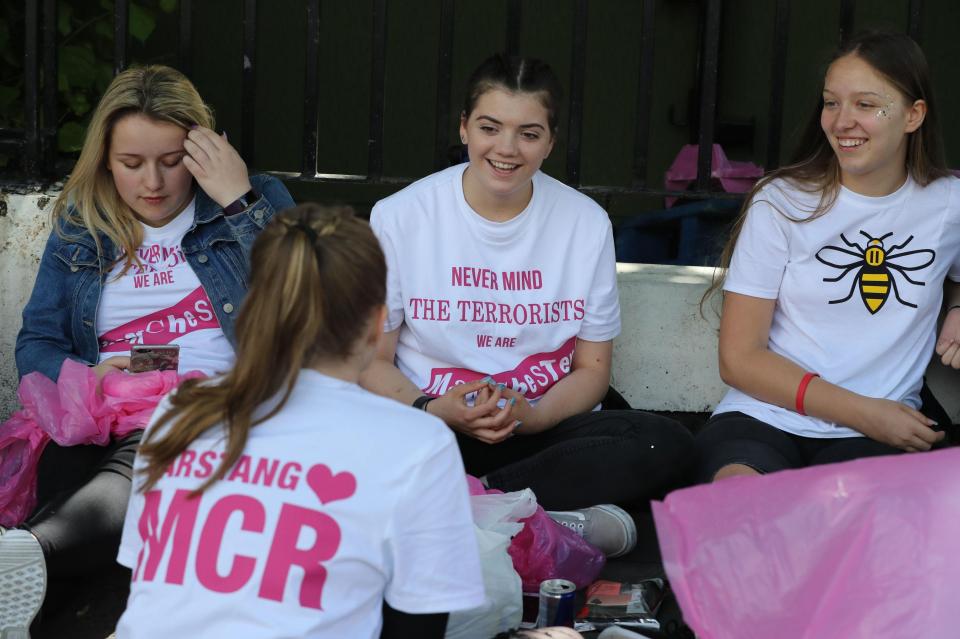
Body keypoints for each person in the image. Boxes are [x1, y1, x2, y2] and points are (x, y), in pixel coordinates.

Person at [361, 53, 694, 557]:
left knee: (665, 445)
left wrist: (533, 416)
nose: (507, 149)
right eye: (490, 127)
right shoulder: (401, 217)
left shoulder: (584, 224)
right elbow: (370, 361)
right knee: (372, 447)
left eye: (529, 134)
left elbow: (592, 370)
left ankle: (470, 507)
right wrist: (435, 409)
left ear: (551, 142)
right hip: (435, 424)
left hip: (544, 427)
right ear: (464, 129)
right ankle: (536, 518)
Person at [3, 65, 294, 635]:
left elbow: (310, 305)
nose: (153, 183)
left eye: (172, 160)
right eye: (131, 164)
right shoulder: (81, 221)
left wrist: (239, 200)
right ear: (105, 159)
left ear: (203, 148)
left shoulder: (256, 199)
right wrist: (93, 373)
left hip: (215, 401)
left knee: (140, 457)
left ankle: (29, 554)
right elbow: (36, 341)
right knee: (66, 464)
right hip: (100, 400)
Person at [113, 204, 484, 638]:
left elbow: (151, 593)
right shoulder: (418, 442)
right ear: (376, 326)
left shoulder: (180, 409)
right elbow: (418, 627)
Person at [696, 30, 960, 483]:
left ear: (913, 115)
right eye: (831, 102)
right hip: (764, 417)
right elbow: (739, 359)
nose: (842, 122)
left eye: (865, 104)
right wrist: (864, 412)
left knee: (841, 526)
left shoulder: (947, 204)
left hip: (878, 439)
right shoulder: (780, 201)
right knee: (741, 514)